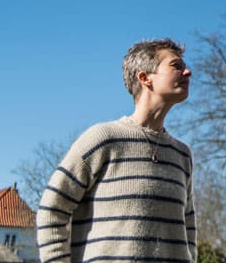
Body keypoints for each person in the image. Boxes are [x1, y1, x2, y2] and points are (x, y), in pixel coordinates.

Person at [36, 38, 196, 263]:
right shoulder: (103, 139)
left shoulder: (182, 155)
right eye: (176, 65)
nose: (188, 72)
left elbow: (188, 226)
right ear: (145, 78)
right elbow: (52, 209)